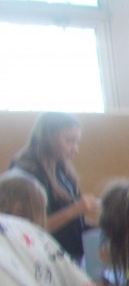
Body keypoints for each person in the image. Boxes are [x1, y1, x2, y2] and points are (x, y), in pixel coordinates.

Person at [9, 112, 99, 264]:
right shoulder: (26, 173)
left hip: (70, 256)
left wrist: (101, 227)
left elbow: (71, 223)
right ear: (47, 137)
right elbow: (28, 228)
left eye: (77, 142)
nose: (75, 149)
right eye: (69, 141)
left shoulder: (60, 169)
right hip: (44, 259)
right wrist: (75, 209)